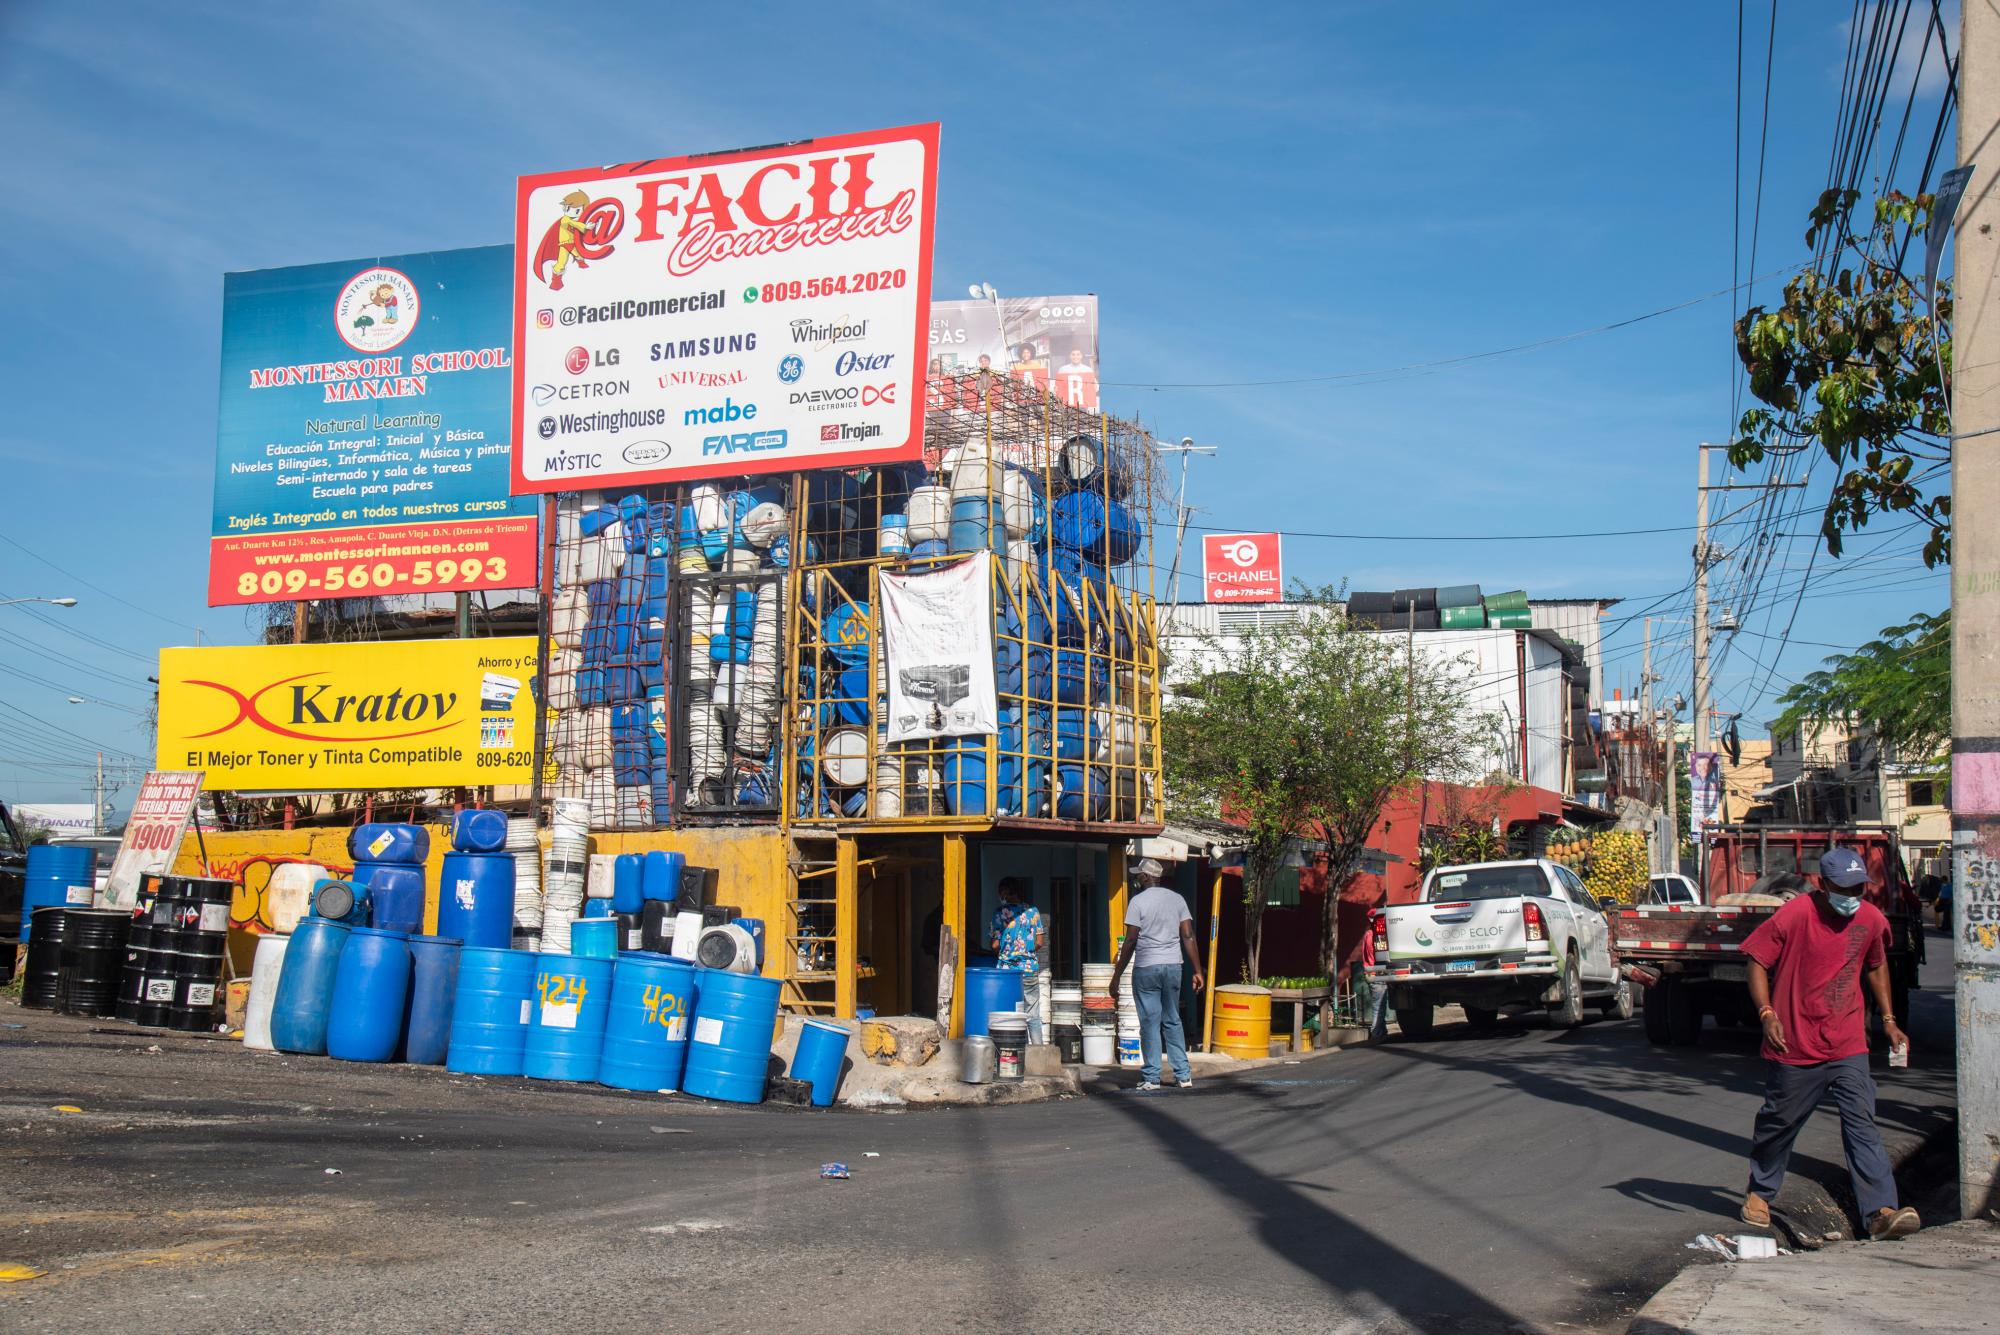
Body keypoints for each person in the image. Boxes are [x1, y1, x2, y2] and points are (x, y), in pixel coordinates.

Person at [1738, 848, 1921, 1241]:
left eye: (1860, 887)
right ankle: (1760, 1191)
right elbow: (1756, 960)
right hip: (1795, 1043)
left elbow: (1876, 966)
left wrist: (1888, 1020)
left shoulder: (1870, 919)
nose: (1854, 895)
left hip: (1848, 1041)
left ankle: (1880, 1211)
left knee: (1862, 1125)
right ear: (1823, 885)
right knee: (1779, 1122)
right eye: (1845, 888)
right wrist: (1767, 1013)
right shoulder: (1795, 915)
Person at [1107, 859, 1205, 1090]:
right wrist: (1198, 970)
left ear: (1145, 877)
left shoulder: (1137, 902)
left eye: (1138, 875)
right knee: (1172, 1019)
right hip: (1173, 966)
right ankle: (1183, 1075)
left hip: (1147, 968)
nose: (1136, 878)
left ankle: (1151, 1077)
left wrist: (1116, 975)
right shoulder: (1177, 899)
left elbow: (1131, 940)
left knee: (1150, 1021)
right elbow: (1188, 936)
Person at [988, 878, 1044, 1044]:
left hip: (1007, 972)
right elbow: (1040, 942)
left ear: (1004, 892)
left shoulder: (999, 913)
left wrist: (1008, 949)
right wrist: (1025, 950)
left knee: (1009, 1013)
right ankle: (1038, 1052)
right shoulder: (1033, 911)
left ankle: (1012, 1049)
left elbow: (995, 944)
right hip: (1029, 969)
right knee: (1033, 1012)